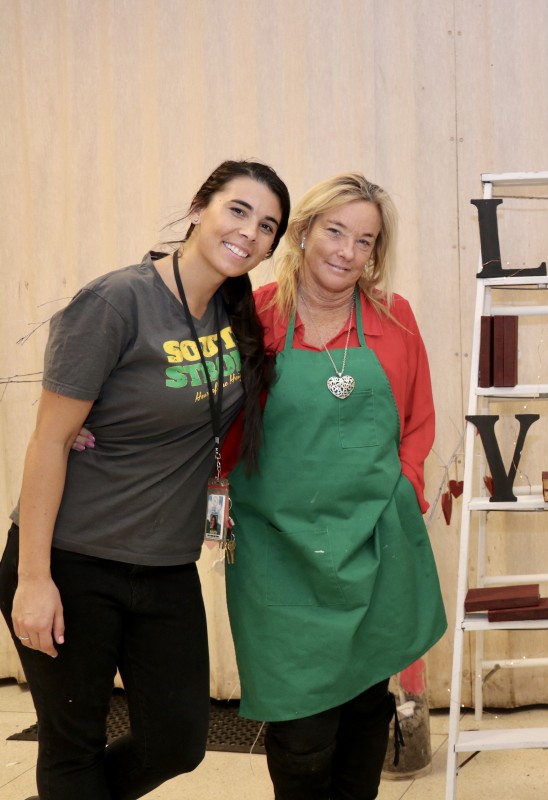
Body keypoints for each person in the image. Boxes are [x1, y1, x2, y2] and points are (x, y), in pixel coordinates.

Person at [0, 160, 290, 799]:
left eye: (267, 225)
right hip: (74, 560)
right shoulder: (116, 302)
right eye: (237, 210)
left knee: (177, 742)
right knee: (73, 745)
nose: (249, 232)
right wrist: (33, 579)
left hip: (163, 565)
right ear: (198, 208)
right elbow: (49, 441)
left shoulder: (235, 314)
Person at [223, 173, 445, 800]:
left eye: (365, 241)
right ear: (304, 231)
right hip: (276, 551)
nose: (347, 252)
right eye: (336, 231)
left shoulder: (394, 320)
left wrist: (400, 499)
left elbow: (417, 423)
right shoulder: (254, 315)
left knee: (365, 709)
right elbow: (212, 421)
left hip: (372, 545)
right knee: (300, 730)